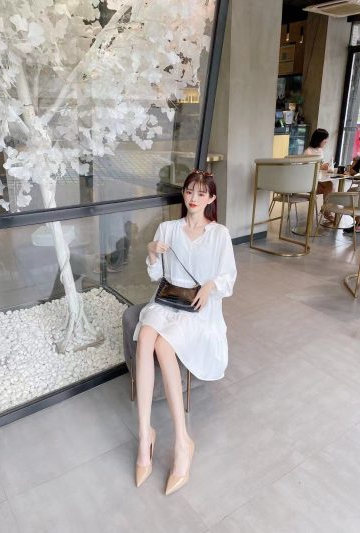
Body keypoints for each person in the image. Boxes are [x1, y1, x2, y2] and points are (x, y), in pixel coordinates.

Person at [133, 170, 237, 495]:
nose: (194, 198)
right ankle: (145, 434)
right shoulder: (168, 228)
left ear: (211, 199)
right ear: (184, 193)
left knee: (164, 346)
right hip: (167, 301)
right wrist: (151, 250)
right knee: (145, 337)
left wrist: (210, 285)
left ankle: (182, 441)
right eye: (190, 191)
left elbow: (229, 278)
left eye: (202, 193)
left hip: (198, 307)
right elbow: (156, 275)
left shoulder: (219, 234)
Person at [304, 128, 334, 222]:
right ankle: (326, 210)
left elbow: (319, 165)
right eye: (325, 139)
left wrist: (324, 166)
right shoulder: (308, 152)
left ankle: (325, 209)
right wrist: (321, 167)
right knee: (330, 186)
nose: (326, 142)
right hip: (308, 180)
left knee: (330, 186)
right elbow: (308, 169)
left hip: (316, 178)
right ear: (319, 139)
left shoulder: (320, 150)